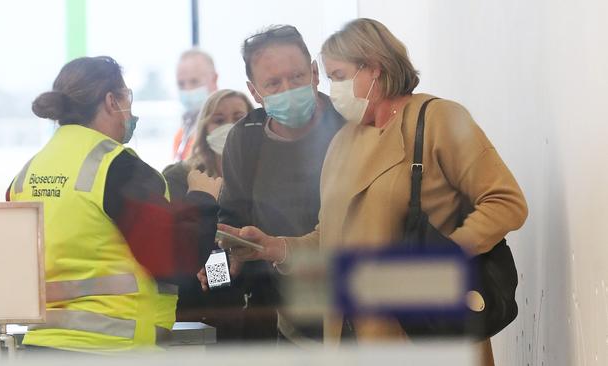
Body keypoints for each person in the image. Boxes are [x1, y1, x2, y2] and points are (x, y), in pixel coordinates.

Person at [211, 18, 528, 365]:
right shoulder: (333, 141)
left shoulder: (436, 119)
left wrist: (445, 256)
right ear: (254, 90)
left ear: (374, 68)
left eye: (336, 76)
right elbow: (323, 235)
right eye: (273, 83)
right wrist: (272, 250)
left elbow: (505, 202)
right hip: (332, 330)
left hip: (427, 328)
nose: (331, 89)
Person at [7, 56, 221, 353]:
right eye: (126, 97)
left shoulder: (26, 175)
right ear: (111, 101)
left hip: (41, 347)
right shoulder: (118, 168)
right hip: (112, 347)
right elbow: (174, 259)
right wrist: (203, 198)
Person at [205, 25, 345, 344]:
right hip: (286, 320)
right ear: (255, 91)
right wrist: (217, 271)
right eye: (273, 83)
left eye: (296, 77)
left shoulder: (349, 125)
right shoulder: (246, 137)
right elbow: (228, 225)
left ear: (314, 72)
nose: (288, 89)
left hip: (358, 312)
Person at [162, 89, 253, 335]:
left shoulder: (265, 179)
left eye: (238, 118)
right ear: (205, 128)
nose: (230, 127)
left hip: (254, 310)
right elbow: (188, 246)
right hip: (193, 312)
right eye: (219, 120)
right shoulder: (180, 178)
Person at [173, 48, 219, 161]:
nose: (187, 89)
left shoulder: (225, 128)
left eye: (194, 81)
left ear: (214, 79)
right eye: (181, 84)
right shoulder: (182, 134)